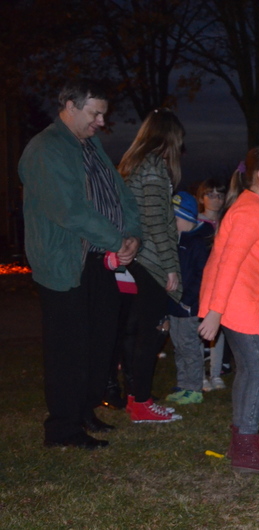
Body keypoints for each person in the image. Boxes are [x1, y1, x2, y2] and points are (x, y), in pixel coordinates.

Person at [19, 79, 142, 449]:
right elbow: (68, 209)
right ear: (69, 105)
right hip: (64, 264)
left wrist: (133, 234)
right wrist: (116, 240)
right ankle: (63, 429)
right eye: (95, 113)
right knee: (68, 348)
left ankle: (84, 411)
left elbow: (121, 195)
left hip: (99, 260)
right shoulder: (47, 148)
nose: (101, 121)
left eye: (103, 113)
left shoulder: (90, 146)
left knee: (99, 342)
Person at [198, 145, 259, 475]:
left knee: (251, 370)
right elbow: (228, 264)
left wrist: (215, 309)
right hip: (236, 304)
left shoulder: (248, 207)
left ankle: (242, 437)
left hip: (237, 303)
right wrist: (215, 311)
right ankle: (246, 447)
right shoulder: (250, 212)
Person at [118, 107, 185, 423]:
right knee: (153, 333)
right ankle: (141, 402)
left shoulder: (133, 165)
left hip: (136, 260)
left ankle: (135, 398)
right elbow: (157, 221)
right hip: (151, 263)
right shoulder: (155, 168)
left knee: (138, 332)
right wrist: (171, 266)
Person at [166, 192, 214, 404]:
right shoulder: (177, 241)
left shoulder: (196, 244)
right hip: (175, 305)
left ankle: (194, 387)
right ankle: (183, 384)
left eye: (175, 219)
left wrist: (188, 300)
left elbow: (200, 276)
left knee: (190, 347)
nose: (172, 223)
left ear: (187, 218)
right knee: (179, 347)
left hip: (189, 306)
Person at [196, 176, 230, 392]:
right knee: (200, 330)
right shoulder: (195, 222)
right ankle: (199, 375)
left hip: (222, 283)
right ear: (201, 197)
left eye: (220, 195)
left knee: (219, 331)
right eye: (210, 194)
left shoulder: (227, 223)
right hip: (200, 283)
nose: (215, 199)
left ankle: (216, 373)